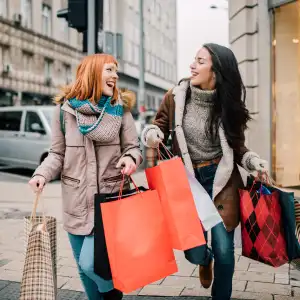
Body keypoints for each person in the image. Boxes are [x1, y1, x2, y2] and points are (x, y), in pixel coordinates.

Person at [141, 43, 268, 300]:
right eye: (194, 60)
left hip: (222, 183)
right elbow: (159, 125)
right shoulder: (176, 96)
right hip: (186, 181)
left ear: (216, 70)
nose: (192, 65)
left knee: (224, 250)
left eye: (200, 61)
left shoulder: (228, 105)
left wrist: (255, 163)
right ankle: (204, 259)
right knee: (193, 250)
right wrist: (153, 134)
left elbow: (238, 147)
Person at [29, 53, 142, 300]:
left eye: (116, 71)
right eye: (109, 70)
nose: (115, 76)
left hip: (110, 202)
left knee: (92, 265)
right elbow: (57, 153)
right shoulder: (64, 111)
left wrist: (130, 159)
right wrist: (42, 174)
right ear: (92, 72)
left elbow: (133, 147)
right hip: (76, 203)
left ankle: (113, 293)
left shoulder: (120, 109)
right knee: (84, 269)